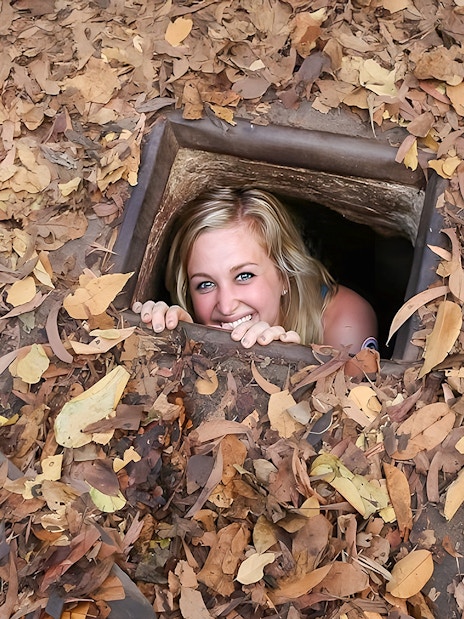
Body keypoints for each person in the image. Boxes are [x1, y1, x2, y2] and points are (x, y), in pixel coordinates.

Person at [134, 187, 378, 354]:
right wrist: (176, 340)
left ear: (285, 275)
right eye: (205, 284)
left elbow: (348, 425)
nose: (226, 306)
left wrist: (286, 366)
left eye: (244, 276)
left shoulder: (345, 320)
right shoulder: (195, 316)